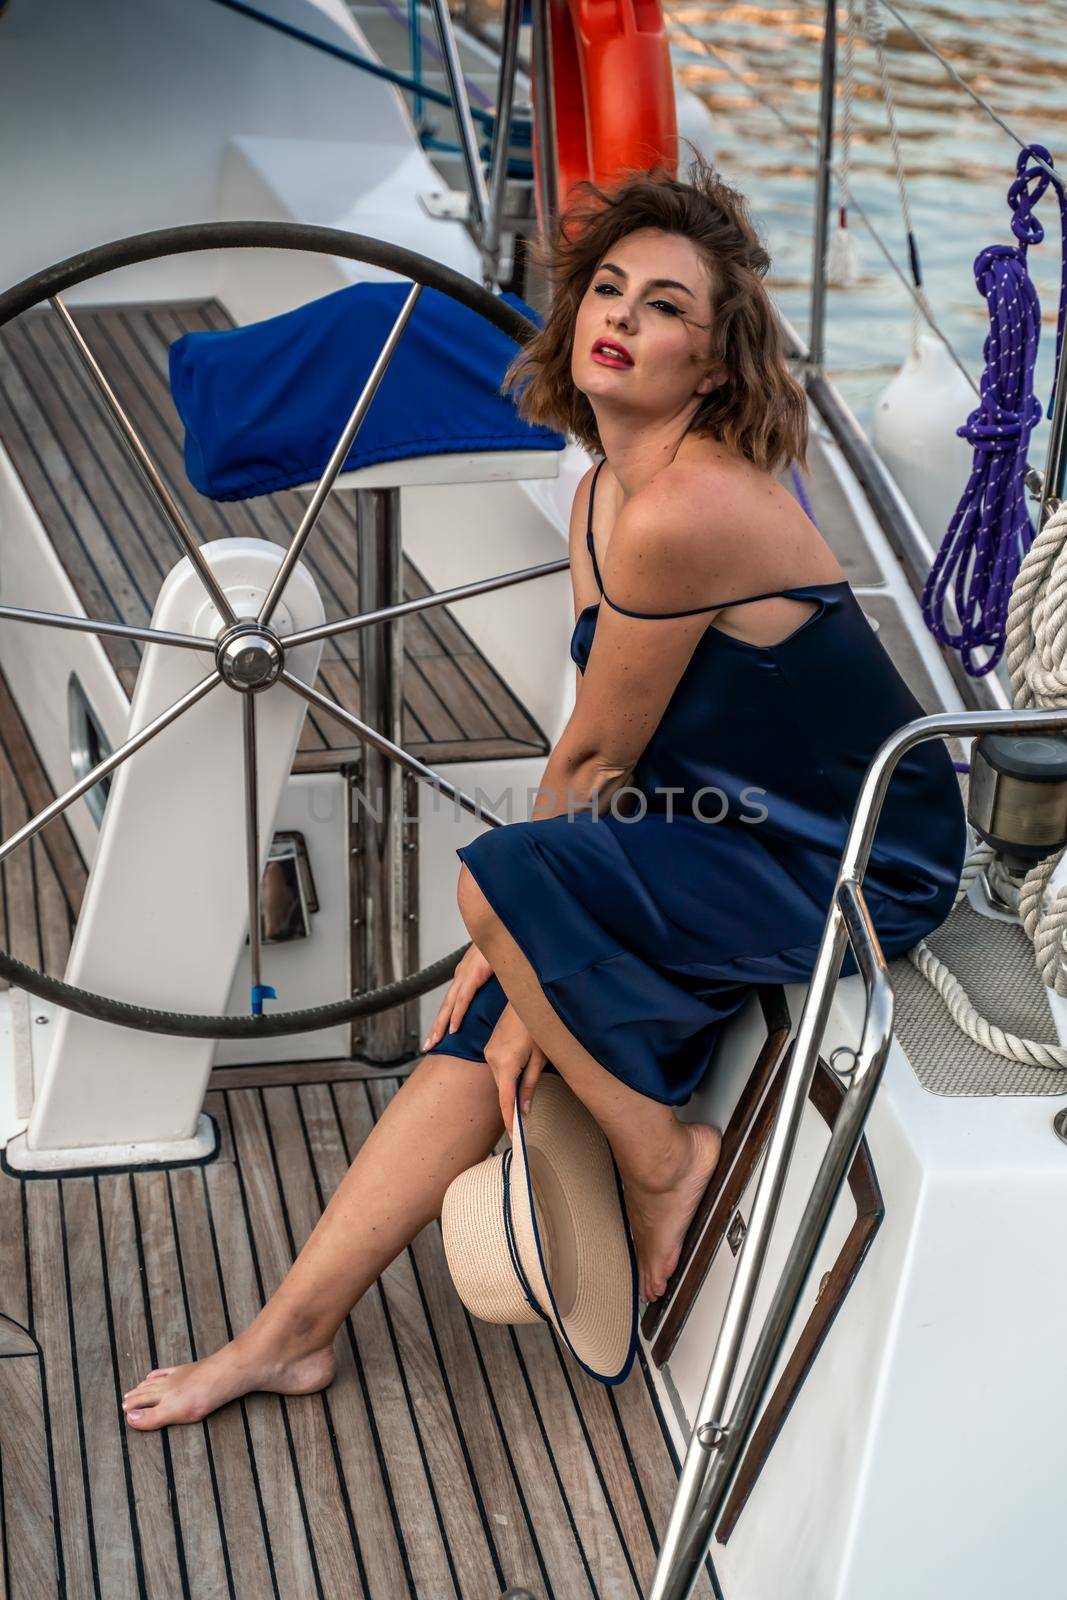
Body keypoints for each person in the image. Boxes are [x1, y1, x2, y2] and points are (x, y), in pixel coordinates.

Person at [121, 151, 967, 1430]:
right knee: (486, 1001)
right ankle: (286, 1335)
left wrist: (519, 937)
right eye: (608, 289)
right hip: (714, 825)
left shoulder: (686, 508)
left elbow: (587, 765)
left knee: (494, 893)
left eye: (665, 306)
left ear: (716, 363)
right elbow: (605, 754)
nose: (620, 318)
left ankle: (660, 1158)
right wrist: (520, 965)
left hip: (851, 856)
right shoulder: (598, 495)